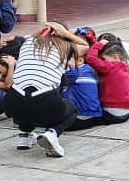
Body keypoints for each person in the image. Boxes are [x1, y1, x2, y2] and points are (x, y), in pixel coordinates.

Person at [5, 22, 86, 156]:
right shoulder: (65, 47)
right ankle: (52, 133)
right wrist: (66, 33)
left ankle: (25, 136)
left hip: (12, 103)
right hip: (45, 103)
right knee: (71, 110)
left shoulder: (27, 42)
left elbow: (30, 36)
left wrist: (45, 29)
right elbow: (85, 46)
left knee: (26, 95)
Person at [86, 39, 129, 125]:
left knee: (88, 117)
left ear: (115, 57)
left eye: (104, 59)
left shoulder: (110, 67)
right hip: (128, 111)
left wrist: (99, 44)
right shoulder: (124, 67)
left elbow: (90, 58)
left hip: (113, 112)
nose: (102, 61)